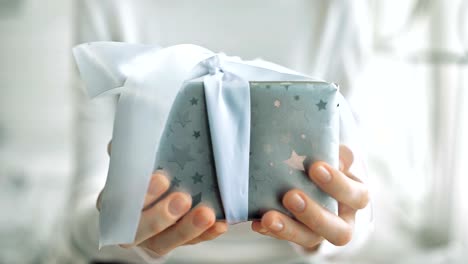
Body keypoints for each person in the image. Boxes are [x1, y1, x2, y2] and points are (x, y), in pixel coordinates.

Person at [48, 0, 372, 263]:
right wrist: (121, 229)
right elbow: (81, 220)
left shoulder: (339, 7)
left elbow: (361, 211)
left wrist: (335, 231)